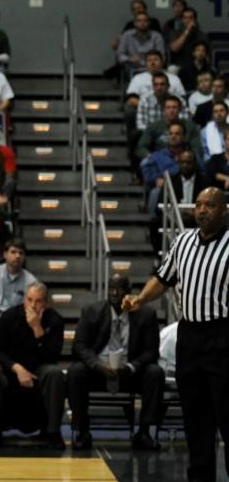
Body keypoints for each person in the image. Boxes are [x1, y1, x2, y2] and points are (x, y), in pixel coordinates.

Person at [124, 186, 229, 482]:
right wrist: (140, 299)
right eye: (198, 205)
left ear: (224, 210)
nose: (202, 210)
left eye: (210, 205)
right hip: (190, 335)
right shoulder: (182, 242)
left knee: (226, 414)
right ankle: (200, 477)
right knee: (195, 416)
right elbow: (162, 278)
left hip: (222, 335)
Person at [68, 273, 163, 451]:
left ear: (129, 292)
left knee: (155, 373)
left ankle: (144, 432)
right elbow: (79, 346)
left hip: (130, 372)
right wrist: (97, 365)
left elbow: (151, 351)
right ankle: (82, 431)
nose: (113, 293)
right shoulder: (92, 311)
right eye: (110, 288)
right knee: (75, 372)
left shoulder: (146, 314)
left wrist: (130, 367)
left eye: (118, 289)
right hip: (99, 371)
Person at [0, 282, 66, 449]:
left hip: (39, 369)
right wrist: (17, 368)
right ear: (24, 300)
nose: (33, 305)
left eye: (39, 301)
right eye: (29, 300)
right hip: (11, 369)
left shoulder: (54, 319)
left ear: (46, 303)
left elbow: (52, 356)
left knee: (55, 373)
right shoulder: (10, 316)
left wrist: (37, 329)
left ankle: (53, 432)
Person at [0, 239, 38, 311]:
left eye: (21, 253)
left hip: (17, 319)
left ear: (24, 257)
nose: (17, 256)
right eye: (13, 252)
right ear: (5, 254)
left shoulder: (31, 282)